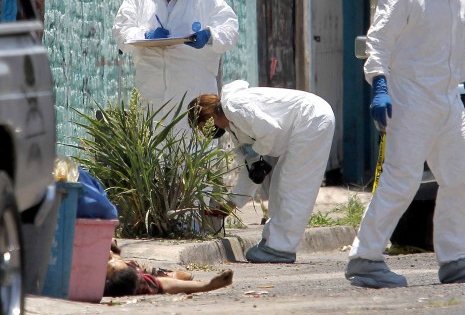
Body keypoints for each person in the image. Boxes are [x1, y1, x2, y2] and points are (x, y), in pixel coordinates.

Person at [345, 0, 465, 288]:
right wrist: (379, 85)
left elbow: (463, 47)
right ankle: (365, 259)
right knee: (402, 180)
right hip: (409, 99)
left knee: (463, 175)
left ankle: (458, 258)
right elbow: (377, 42)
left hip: (447, 100)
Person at [188, 80, 335, 263]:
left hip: (312, 119)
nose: (204, 132)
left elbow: (270, 130)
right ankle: (272, 241)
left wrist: (256, 150)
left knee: (293, 186)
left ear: (206, 117)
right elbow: (250, 172)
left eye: (201, 126)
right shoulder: (234, 128)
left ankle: (280, 248)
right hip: (304, 125)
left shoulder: (234, 106)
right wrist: (229, 206)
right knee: (279, 185)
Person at [113, 0, 239, 129]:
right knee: (153, 142)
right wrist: (146, 35)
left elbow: (230, 29)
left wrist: (209, 35)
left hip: (194, 86)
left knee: (193, 143)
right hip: (152, 87)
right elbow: (121, 30)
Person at [104, 240, 233, 297]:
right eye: (112, 259)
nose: (111, 255)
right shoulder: (138, 281)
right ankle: (159, 272)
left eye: (112, 259)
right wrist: (209, 285)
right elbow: (165, 285)